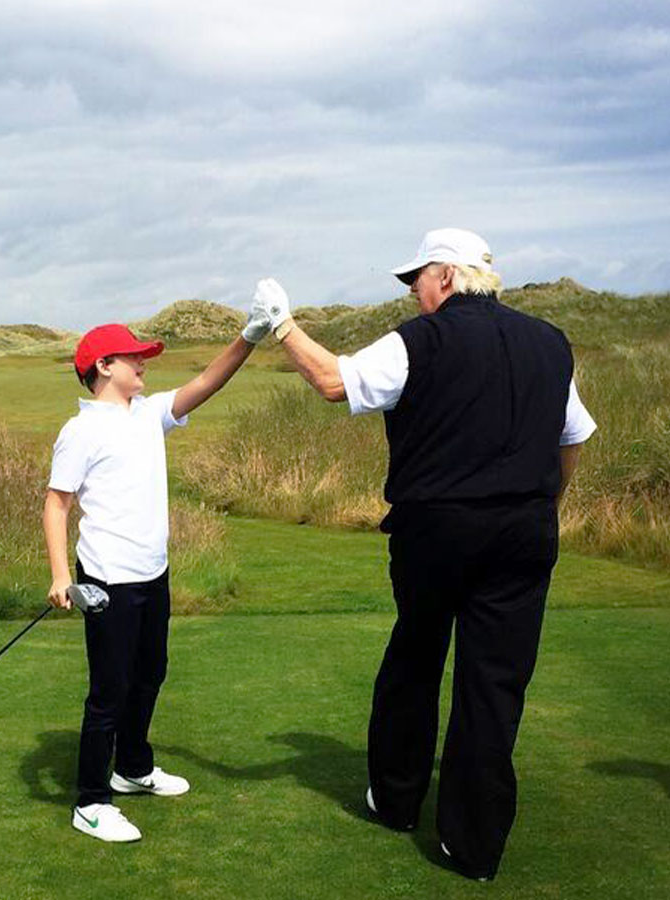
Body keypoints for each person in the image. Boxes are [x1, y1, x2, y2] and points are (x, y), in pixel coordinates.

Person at [250, 228, 596, 881]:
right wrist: (547, 506)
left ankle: (399, 799)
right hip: (525, 530)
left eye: (416, 281)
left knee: (416, 654)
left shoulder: (421, 339)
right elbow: (572, 437)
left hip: (437, 527)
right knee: (495, 683)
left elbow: (333, 382)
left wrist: (283, 325)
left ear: (446, 274)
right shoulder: (549, 341)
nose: (412, 294)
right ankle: (475, 845)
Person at [43, 308, 270, 842]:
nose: (145, 363)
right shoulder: (80, 430)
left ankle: (132, 768)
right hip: (105, 578)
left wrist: (250, 336)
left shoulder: (147, 413)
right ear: (103, 366)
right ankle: (90, 801)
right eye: (135, 357)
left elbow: (205, 383)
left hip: (153, 572)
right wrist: (59, 576)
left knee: (150, 675)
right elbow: (57, 506)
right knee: (109, 691)